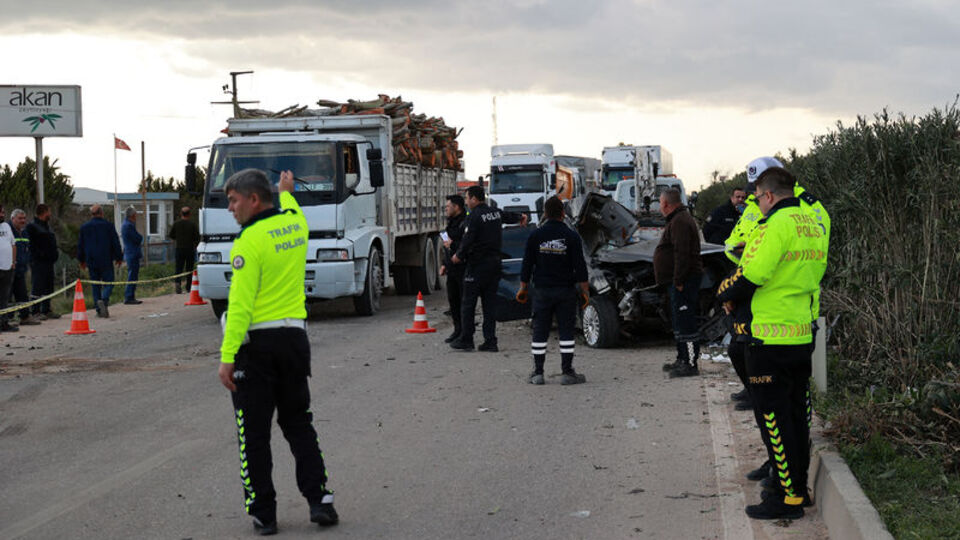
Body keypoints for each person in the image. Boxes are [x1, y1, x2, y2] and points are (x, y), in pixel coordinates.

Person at [217, 169, 337, 535]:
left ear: (254, 200)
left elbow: (239, 304)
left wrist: (227, 355)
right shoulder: (294, 226)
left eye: (234, 201)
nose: (230, 209)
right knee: (299, 423)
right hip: (294, 341)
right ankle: (321, 501)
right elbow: (293, 210)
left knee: (252, 434)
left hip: (258, 348)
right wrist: (287, 192)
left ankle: (264, 513)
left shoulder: (248, 242)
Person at [716, 166, 826, 520]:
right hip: (800, 333)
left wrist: (725, 292)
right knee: (796, 417)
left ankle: (786, 497)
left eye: (758, 199)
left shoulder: (773, 226)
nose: (758, 206)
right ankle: (800, 490)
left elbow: (753, 273)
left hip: (769, 337)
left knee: (775, 423)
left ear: (767, 195)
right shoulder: (813, 223)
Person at [516, 196, 589, 385]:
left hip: (542, 291)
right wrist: (585, 292)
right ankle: (567, 372)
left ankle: (538, 373)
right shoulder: (572, 237)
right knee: (566, 331)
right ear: (563, 213)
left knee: (540, 330)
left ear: (545, 213)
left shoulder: (535, 236)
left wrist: (523, 288)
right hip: (565, 291)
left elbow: (527, 264)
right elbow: (580, 267)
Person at [653, 187, 703, 378]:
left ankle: (690, 363)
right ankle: (682, 358)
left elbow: (682, 254)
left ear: (666, 204)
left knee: (686, 322)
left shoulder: (680, 221)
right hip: (679, 280)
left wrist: (679, 280)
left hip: (685, 280)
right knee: (679, 321)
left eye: (660, 203)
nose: (659, 207)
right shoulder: (677, 219)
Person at [449, 185, 504, 352]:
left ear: (474, 199)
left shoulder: (474, 216)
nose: (466, 202)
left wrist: (458, 255)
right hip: (494, 265)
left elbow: (468, 239)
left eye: (466, 198)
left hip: (477, 265)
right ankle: (490, 341)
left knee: (468, 304)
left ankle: (467, 339)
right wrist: (521, 217)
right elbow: (508, 216)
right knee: (489, 305)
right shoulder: (494, 212)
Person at [77, 204, 123, 318]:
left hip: (91, 260)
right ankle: (104, 299)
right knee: (109, 282)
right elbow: (115, 242)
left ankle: (99, 309)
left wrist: (81, 260)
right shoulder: (108, 226)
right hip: (106, 259)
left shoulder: (84, 227)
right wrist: (119, 257)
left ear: (92, 214)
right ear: (102, 213)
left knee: (95, 285)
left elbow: (80, 245)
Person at [439, 194, 467, 343]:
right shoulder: (451, 222)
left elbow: (466, 245)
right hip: (452, 268)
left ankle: (465, 332)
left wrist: (453, 245)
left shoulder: (465, 223)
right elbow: (447, 247)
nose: (446, 209)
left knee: (464, 301)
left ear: (456, 207)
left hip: (463, 267)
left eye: (448, 206)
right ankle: (457, 330)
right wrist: (444, 264)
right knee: (453, 300)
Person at [26, 203, 60, 320]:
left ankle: (46, 309)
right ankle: (35, 311)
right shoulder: (32, 227)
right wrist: (41, 255)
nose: (50, 214)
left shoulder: (47, 226)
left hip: (49, 262)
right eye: (49, 211)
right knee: (38, 286)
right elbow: (31, 245)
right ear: (44, 212)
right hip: (38, 262)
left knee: (48, 286)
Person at [9, 209, 40, 326]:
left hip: (21, 269)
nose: (23, 221)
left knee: (22, 294)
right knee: (7, 295)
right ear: (13, 219)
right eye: (20, 218)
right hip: (9, 269)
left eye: (24, 218)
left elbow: (27, 249)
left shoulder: (25, 232)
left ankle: (25, 316)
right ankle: (8, 318)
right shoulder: (8, 231)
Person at [169, 206, 200, 294]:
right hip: (190, 249)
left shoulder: (176, 224)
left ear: (181, 214)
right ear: (189, 214)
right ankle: (189, 287)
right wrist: (195, 244)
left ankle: (178, 283)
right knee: (189, 269)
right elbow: (197, 237)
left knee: (178, 268)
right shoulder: (192, 224)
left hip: (179, 249)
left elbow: (171, 235)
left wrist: (178, 238)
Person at [121, 206, 144, 305]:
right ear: (132, 215)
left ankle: (130, 296)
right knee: (132, 275)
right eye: (135, 215)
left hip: (130, 253)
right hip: (132, 253)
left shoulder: (126, 224)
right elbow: (137, 238)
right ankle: (129, 296)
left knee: (133, 275)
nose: (136, 217)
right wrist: (140, 237)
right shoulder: (129, 226)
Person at [0, 205, 17, 332]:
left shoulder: (6, 226)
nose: (2, 215)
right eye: (0, 212)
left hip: (7, 268)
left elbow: (13, 244)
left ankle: (4, 322)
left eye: (3, 212)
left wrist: (13, 261)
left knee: (4, 297)